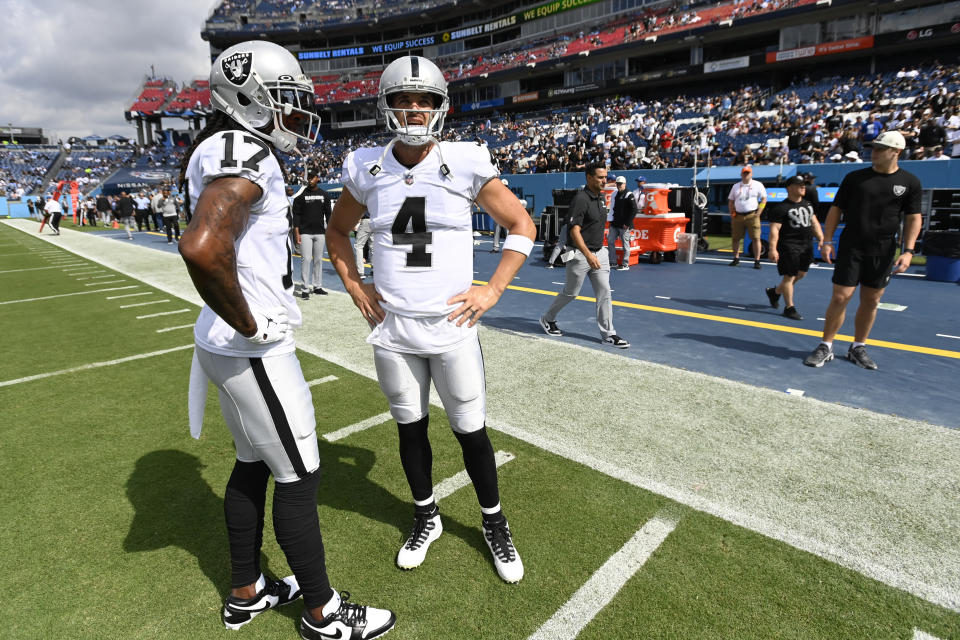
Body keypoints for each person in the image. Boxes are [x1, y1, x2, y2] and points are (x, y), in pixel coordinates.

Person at [176, 40, 395, 640]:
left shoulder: (217, 146)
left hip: (222, 344)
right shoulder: (245, 152)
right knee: (300, 475)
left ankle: (247, 591)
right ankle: (324, 613)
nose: (295, 117)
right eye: (284, 104)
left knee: (252, 464)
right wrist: (250, 323)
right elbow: (201, 245)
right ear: (247, 99)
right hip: (252, 348)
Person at [325, 55, 535, 584]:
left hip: (452, 328)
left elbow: (520, 224)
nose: (414, 109)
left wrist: (493, 289)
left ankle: (494, 522)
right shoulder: (365, 164)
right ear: (387, 104)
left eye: (424, 100)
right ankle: (426, 515)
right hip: (393, 329)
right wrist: (354, 283)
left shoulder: (464, 160)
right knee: (409, 429)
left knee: (471, 432)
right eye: (403, 99)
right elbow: (337, 232)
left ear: (441, 107)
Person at [803, 131, 922, 370]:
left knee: (871, 299)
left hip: (884, 249)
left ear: (896, 152)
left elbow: (913, 218)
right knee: (840, 296)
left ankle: (858, 347)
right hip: (852, 245)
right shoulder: (855, 178)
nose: (873, 152)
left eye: (880, 148)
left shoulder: (910, 182)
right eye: (873, 148)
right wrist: (827, 241)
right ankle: (826, 345)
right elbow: (836, 210)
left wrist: (908, 250)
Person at [539, 163, 630, 349]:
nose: (604, 180)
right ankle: (547, 318)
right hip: (580, 255)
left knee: (604, 291)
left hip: (600, 254)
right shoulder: (581, 199)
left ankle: (608, 333)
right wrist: (588, 255)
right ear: (589, 178)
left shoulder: (602, 198)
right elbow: (574, 230)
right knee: (571, 292)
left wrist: (600, 249)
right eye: (600, 177)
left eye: (605, 177)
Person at [764, 176, 824, 321]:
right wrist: (773, 249)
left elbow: (813, 222)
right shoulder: (780, 208)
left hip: (806, 245)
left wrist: (821, 237)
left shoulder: (808, 204)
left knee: (801, 274)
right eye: (799, 185)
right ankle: (789, 308)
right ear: (789, 187)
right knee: (789, 277)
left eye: (804, 185)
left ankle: (775, 292)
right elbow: (774, 230)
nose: (803, 187)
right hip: (789, 246)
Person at [292, 171, 332, 298]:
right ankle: (304, 289)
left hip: (320, 232)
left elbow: (329, 215)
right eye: (308, 178)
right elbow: (296, 217)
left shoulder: (324, 195)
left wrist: (330, 231)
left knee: (318, 260)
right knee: (306, 259)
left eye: (312, 178)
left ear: (317, 178)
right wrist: (297, 233)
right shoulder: (300, 196)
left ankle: (317, 286)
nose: (310, 180)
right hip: (305, 233)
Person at [727, 165, 767, 268]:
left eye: (748, 173)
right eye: (744, 173)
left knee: (756, 238)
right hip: (738, 216)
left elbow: (764, 199)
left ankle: (757, 261)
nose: (746, 175)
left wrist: (760, 211)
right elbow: (731, 201)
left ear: (751, 174)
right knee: (735, 238)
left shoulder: (758, 185)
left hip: (752, 215)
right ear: (741, 174)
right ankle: (736, 259)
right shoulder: (736, 186)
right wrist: (732, 212)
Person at [609, 175, 638, 270]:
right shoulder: (614, 194)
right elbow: (612, 208)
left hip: (624, 225)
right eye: (617, 184)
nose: (619, 185)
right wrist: (611, 220)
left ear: (624, 184)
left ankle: (625, 264)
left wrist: (627, 223)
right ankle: (613, 262)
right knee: (610, 241)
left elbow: (634, 210)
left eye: (620, 184)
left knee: (625, 244)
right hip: (614, 223)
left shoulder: (629, 194)